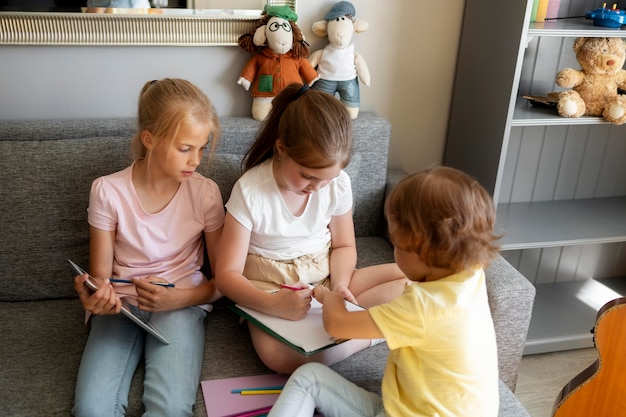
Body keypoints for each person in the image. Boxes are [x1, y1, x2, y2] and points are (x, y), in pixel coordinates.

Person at [267, 166, 502, 417]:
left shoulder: (421, 308)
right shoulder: (471, 274)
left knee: (308, 378)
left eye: (397, 244)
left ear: (421, 249)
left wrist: (330, 296)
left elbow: (337, 324)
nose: (394, 252)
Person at [215, 83, 408, 374]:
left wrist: (341, 285)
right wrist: (275, 305)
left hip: (326, 276)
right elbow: (226, 275)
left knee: (417, 281)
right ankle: (371, 329)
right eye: (307, 176)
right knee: (279, 358)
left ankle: (350, 323)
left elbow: (344, 245)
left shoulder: (339, 183)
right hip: (270, 287)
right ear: (281, 149)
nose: (316, 188)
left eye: (326, 180)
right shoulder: (251, 192)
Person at [72, 78, 225, 417]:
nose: (196, 160)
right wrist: (95, 295)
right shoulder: (107, 192)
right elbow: (100, 279)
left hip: (182, 303)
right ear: (150, 139)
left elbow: (223, 283)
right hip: (121, 309)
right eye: (185, 148)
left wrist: (180, 299)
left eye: (202, 148)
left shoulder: (205, 193)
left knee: (170, 408)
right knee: (90, 410)